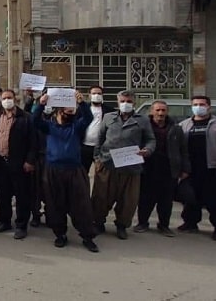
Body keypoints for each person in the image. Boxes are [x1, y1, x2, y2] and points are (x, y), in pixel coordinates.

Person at [33, 90, 99, 252]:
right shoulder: (49, 126)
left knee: (81, 205)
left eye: (71, 110)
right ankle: (60, 235)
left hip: (74, 171)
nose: (68, 113)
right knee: (55, 204)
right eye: (65, 110)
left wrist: (82, 103)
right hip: (53, 171)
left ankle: (87, 236)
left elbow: (89, 118)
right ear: (57, 112)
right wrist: (40, 104)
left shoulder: (76, 127)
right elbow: (34, 120)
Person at [91, 90, 156, 240]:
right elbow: (99, 139)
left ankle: (121, 226)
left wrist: (147, 150)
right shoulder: (108, 117)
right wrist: (97, 159)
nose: (125, 104)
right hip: (107, 163)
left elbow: (150, 139)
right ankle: (98, 222)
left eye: (129, 102)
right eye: (122, 101)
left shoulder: (143, 120)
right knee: (100, 197)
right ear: (117, 102)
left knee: (128, 200)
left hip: (131, 166)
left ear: (134, 103)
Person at [178, 96, 216, 240]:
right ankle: (190, 222)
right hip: (191, 169)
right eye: (195, 104)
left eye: (202, 104)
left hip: (214, 168)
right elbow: (178, 148)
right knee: (191, 198)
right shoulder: (184, 125)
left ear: (209, 106)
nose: (199, 107)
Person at [0, 90, 40, 240]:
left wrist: (30, 161)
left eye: (9, 98)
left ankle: (21, 225)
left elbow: (33, 142)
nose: (6, 100)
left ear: (15, 99)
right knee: (3, 194)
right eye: (4, 98)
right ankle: (4, 221)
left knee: (22, 196)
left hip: (19, 163)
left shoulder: (25, 118)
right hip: (1, 162)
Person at [133, 101, 190, 237]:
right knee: (145, 198)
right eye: (158, 110)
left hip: (169, 169)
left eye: (163, 110)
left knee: (166, 200)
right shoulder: (143, 126)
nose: (161, 113)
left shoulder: (176, 128)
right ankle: (142, 223)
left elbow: (183, 149)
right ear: (152, 111)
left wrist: (185, 168)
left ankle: (164, 225)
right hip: (148, 167)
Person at [81, 86, 116, 174]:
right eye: (94, 93)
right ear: (89, 95)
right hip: (85, 147)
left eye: (99, 93)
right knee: (82, 174)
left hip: (102, 148)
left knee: (102, 174)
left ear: (102, 95)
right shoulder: (82, 109)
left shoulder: (110, 111)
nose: (96, 95)